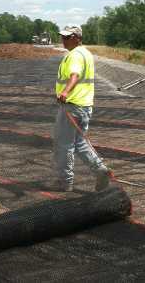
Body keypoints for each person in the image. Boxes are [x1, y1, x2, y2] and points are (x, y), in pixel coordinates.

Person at [53, 25, 111, 192]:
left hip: (72, 106)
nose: (63, 40)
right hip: (84, 106)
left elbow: (75, 75)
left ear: (77, 38)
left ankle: (65, 182)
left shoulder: (75, 55)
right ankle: (100, 170)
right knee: (80, 142)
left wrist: (65, 91)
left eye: (67, 37)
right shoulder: (86, 53)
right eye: (62, 37)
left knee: (64, 145)